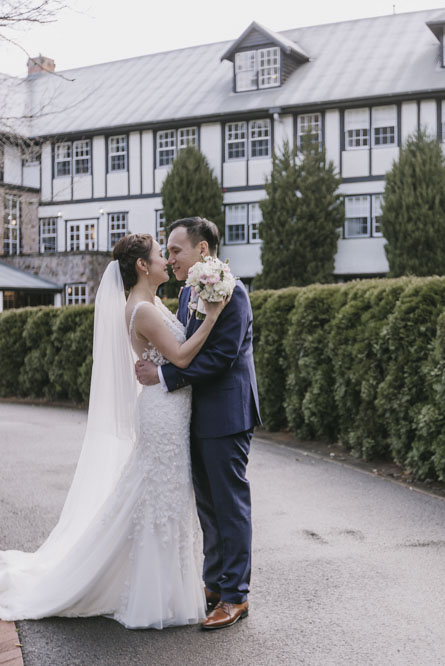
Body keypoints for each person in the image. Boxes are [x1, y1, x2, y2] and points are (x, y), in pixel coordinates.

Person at [0, 234, 228, 629]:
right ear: (141, 266)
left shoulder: (152, 304)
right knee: (156, 496)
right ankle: (150, 593)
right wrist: (214, 316)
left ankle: (167, 587)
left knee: (162, 496)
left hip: (171, 408)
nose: (165, 262)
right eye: (159, 255)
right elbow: (183, 355)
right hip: (162, 413)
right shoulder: (142, 310)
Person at [135, 216, 261, 631]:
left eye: (176, 251)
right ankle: (214, 584)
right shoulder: (191, 290)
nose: (170, 259)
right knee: (207, 505)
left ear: (202, 250)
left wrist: (165, 377)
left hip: (227, 415)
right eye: (167, 252)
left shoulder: (233, 292)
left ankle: (235, 596)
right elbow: (184, 345)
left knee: (229, 505)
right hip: (194, 415)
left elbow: (220, 358)